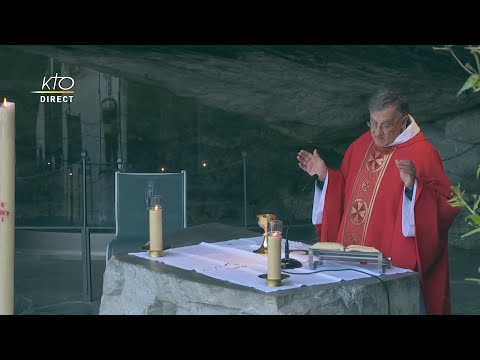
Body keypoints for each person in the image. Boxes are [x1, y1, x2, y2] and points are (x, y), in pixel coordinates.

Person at [297, 88, 460, 315]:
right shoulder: (360, 146)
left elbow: (446, 208)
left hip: (393, 270)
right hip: (349, 261)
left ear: (403, 123)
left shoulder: (423, 153)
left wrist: (415, 189)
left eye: (385, 125)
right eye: (373, 123)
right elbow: (343, 193)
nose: (377, 132)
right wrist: (326, 177)